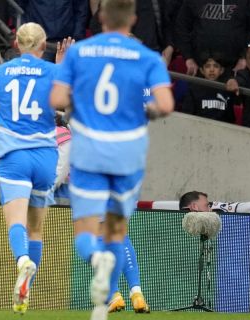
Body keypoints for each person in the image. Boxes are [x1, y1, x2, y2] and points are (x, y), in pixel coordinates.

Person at [50, 1, 174, 319]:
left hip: (90, 152)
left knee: (89, 232)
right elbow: (165, 105)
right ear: (134, 19)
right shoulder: (147, 58)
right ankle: (130, 292)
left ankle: (105, 277)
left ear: (101, 17)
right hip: (126, 154)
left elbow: (57, 100)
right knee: (119, 231)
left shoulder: (82, 53)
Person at [0, 24, 72, 314]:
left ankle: (21, 261)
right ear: (43, 46)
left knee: (16, 221)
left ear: (16, 43)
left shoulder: (0, 73)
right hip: (45, 157)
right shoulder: (53, 72)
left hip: (14, 156)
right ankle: (26, 293)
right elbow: (65, 107)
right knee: (36, 228)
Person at [52, 125, 150, 313]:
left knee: (96, 239)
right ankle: (137, 293)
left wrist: (47, 188)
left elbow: (62, 169)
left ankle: (113, 294)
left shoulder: (64, 131)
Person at [175, 0, 250, 76]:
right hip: (201, 68)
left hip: (236, 69)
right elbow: (181, 27)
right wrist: (188, 57)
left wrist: (244, 58)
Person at [17, 0, 88, 62]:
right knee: (40, 76)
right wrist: (28, 36)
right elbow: (18, 9)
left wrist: (76, 39)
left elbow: (81, 11)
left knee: (66, 76)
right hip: (39, 42)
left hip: (67, 42)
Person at [181, 54, 235, 124]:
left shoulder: (227, 91)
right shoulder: (193, 90)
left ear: (221, 70)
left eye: (216, 66)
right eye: (207, 66)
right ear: (202, 70)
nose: (212, 70)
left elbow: (230, 120)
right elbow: (186, 116)